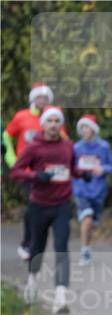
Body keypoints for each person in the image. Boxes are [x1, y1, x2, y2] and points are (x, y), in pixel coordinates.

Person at [10, 106, 92, 313]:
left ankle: (61, 297)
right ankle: (32, 280)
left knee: (62, 248)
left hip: (62, 205)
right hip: (39, 205)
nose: (54, 125)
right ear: (43, 124)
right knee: (38, 247)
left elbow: (71, 168)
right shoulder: (33, 147)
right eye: (50, 121)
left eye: (57, 121)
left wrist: (83, 174)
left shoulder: (67, 146)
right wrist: (36, 176)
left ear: (61, 125)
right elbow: (16, 172)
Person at [4, 83, 60, 261]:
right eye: (39, 98)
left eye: (45, 98)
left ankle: (40, 243)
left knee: (47, 208)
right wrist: (12, 160)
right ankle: (27, 243)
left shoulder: (54, 118)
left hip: (49, 172)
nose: (42, 101)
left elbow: (64, 141)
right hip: (28, 172)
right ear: (32, 99)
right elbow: (6, 136)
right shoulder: (22, 117)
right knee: (32, 205)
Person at [72, 114, 112, 266]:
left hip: (98, 190)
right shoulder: (76, 148)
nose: (85, 130)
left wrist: (102, 169)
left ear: (94, 129)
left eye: (87, 126)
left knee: (92, 223)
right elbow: (71, 167)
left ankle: (87, 246)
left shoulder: (103, 147)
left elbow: (110, 165)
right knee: (87, 219)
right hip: (81, 189)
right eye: (82, 127)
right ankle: (84, 252)